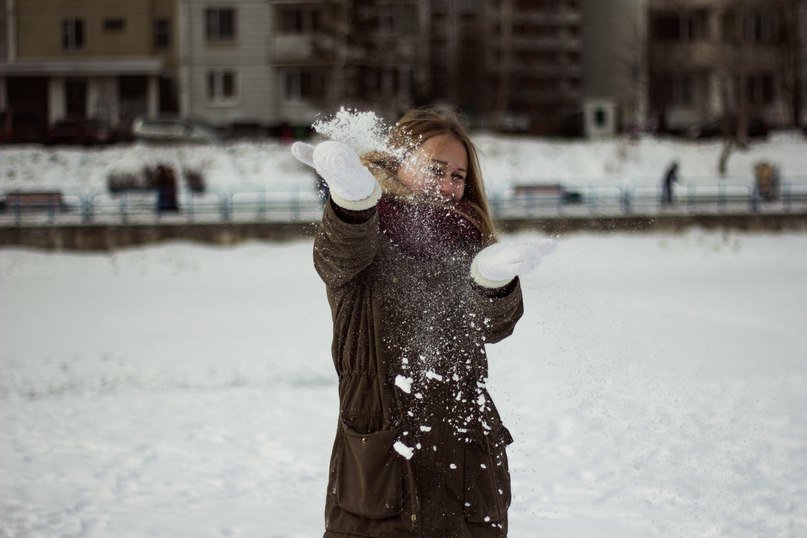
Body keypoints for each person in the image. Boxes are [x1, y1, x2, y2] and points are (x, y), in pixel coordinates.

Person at [291, 107, 555, 537]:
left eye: (458, 175)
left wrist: (492, 282)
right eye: (436, 170)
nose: (449, 185)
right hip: (382, 474)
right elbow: (336, 257)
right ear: (398, 161)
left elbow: (494, 327)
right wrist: (354, 203)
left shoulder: (469, 241)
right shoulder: (366, 234)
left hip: (468, 469)